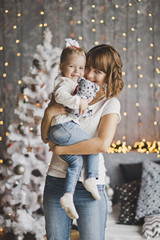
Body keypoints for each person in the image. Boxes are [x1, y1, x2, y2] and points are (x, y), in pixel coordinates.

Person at [42, 43, 124, 240]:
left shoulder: (110, 104)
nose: (88, 75)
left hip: (91, 187)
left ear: (108, 76)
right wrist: (49, 112)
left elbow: (101, 144)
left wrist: (60, 150)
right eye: (87, 67)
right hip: (56, 182)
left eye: (98, 72)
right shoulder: (69, 94)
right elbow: (46, 136)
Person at [41, 39, 101, 220]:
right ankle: (91, 177)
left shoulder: (76, 84)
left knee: (76, 162)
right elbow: (60, 96)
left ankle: (67, 196)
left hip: (60, 130)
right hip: (62, 128)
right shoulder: (64, 82)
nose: (77, 72)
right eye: (72, 67)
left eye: (81, 68)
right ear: (62, 67)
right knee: (91, 145)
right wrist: (79, 102)